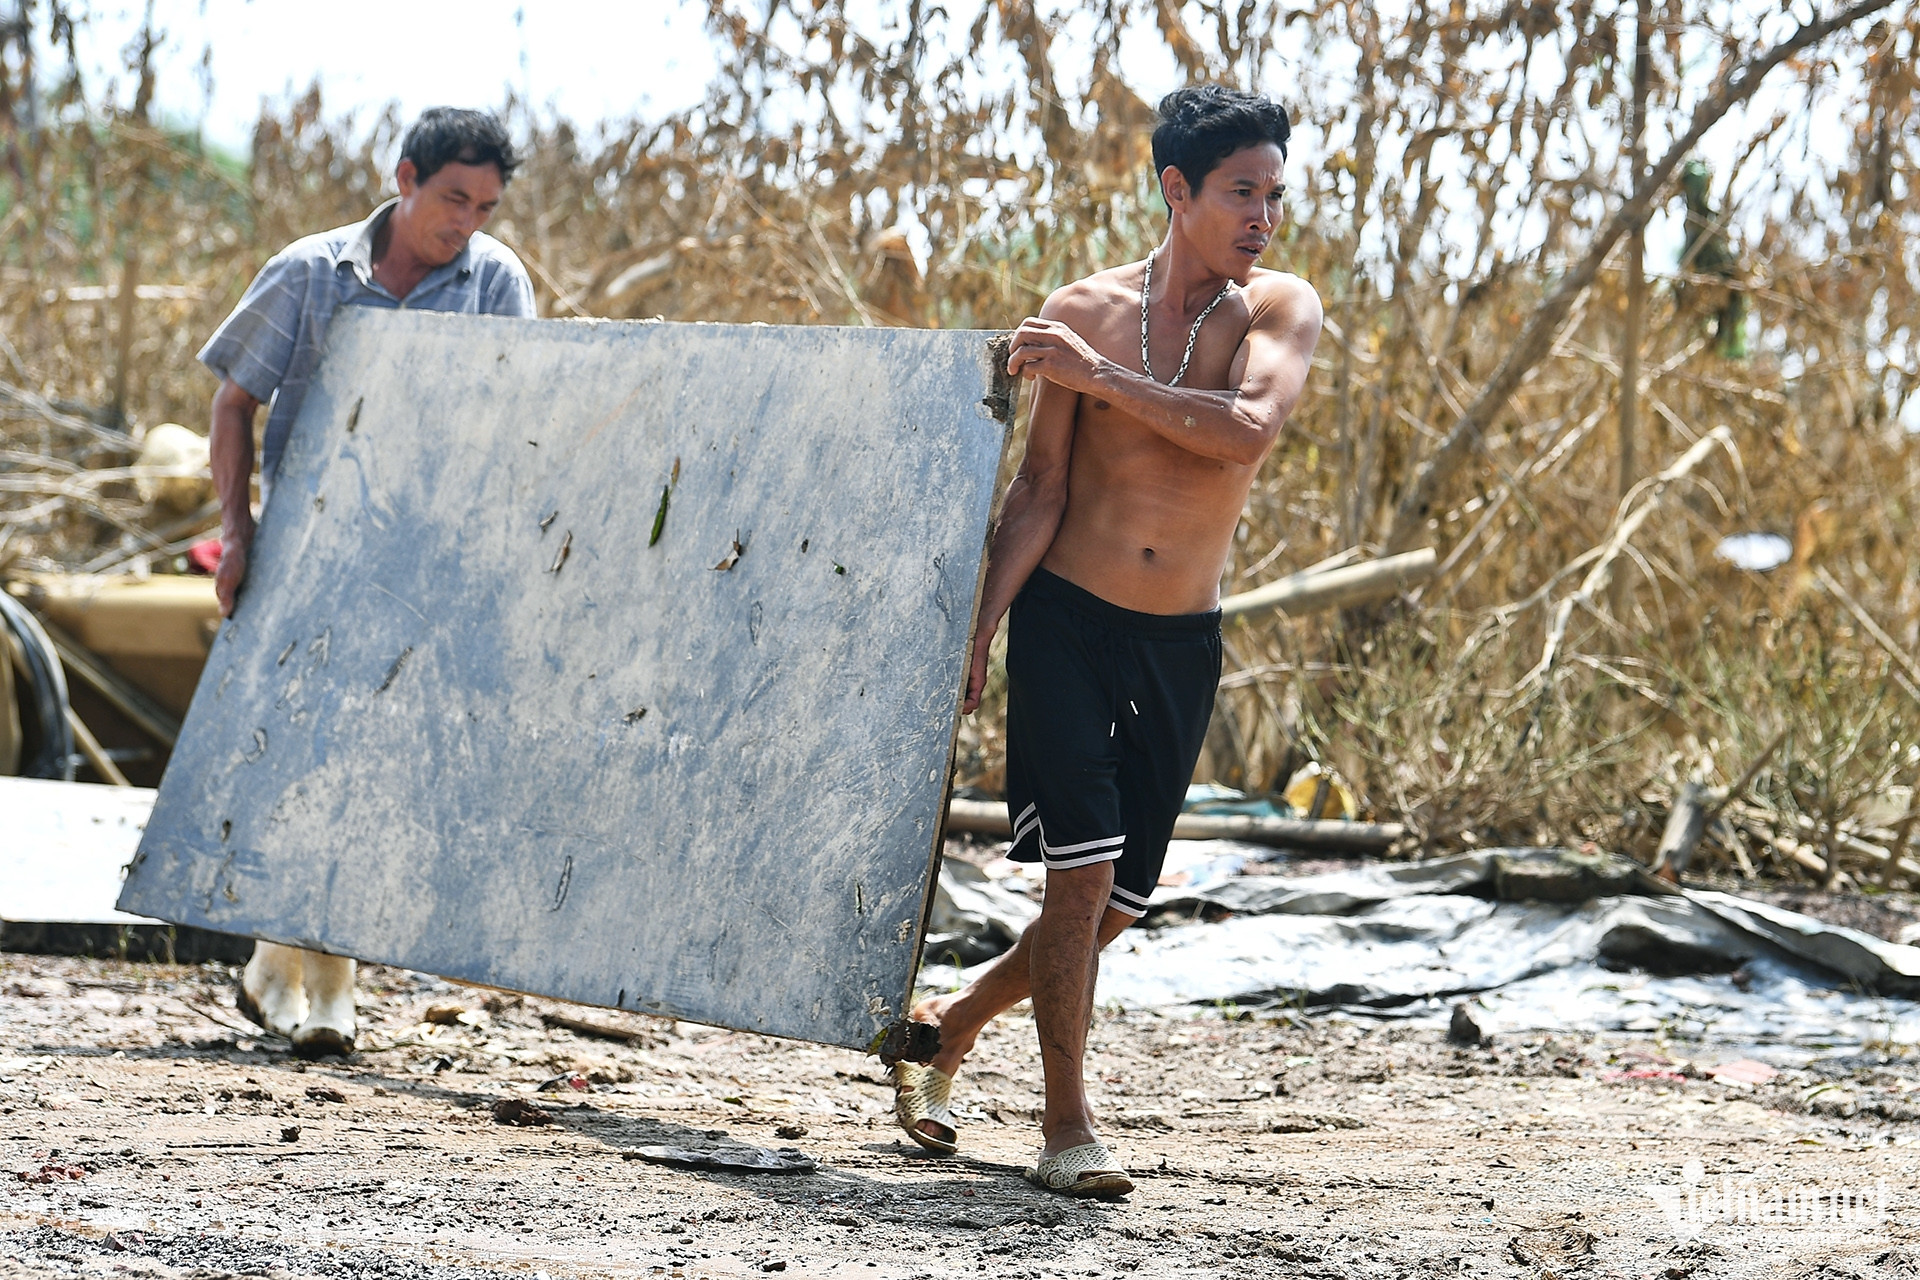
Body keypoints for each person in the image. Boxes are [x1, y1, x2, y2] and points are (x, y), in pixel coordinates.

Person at [895, 85, 1322, 1196]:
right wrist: (980, 628)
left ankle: (950, 1025)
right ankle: (1066, 1125)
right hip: (1068, 625)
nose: (1263, 218)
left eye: (1274, 195)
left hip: (1181, 639)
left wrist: (1103, 381)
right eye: (1241, 193)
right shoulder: (1080, 310)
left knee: (1120, 905)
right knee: (1079, 885)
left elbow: (1245, 434)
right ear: (1177, 190)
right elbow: (1039, 489)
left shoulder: (1278, 309)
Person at [198, 107, 535, 1057]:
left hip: (425, 562)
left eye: (485, 205)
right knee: (296, 762)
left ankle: (326, 977)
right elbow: (233, 402)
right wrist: (237, 534)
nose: (465, 221)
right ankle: (285, 964)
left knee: (381, 772)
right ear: (405, 177)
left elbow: (523, 421)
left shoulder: (493, 282)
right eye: (452, 198)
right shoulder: (313, 273)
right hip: (306, 553)